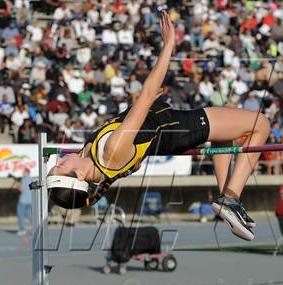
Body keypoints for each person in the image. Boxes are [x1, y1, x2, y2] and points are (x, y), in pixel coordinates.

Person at [47, 11, 270, 241]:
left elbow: (132, 161)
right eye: (61, 166)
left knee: (227, 128)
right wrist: (168, 46)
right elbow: (147, 93)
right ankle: (231, 199)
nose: (61, 159)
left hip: (168, 126)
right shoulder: (110, 152)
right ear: (80, 175)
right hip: (178, 129)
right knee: (260, 124)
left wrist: (148, 112)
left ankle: (227, 199)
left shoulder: (93, 160)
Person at [14, 168, 32, 236]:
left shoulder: (24, 179)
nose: (23, 174)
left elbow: (22, 190)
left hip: (23, 200)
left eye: (24, 172)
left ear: (27, 172)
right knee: (28, 214)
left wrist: (17, 185)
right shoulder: (31, 179)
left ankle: (22, 230)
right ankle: (37, 225)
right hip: (30, 201)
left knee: (20, 215)